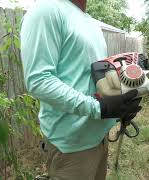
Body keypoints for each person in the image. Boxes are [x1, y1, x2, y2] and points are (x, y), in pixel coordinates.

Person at [20, 0, 142, 179]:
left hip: (99, 140)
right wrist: (99, 108)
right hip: (71, 149)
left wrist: (119, 107)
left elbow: (90, 79)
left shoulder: (90, 22)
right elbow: (39, 81)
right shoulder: (46, 10)